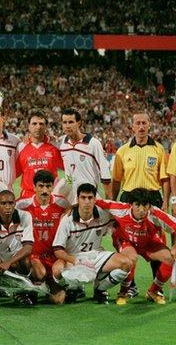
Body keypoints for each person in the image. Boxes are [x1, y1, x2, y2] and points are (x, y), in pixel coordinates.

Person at [111, 112, 170, 298]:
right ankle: (131, 287)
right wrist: (114, 201)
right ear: (132, 127)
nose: (142, 126)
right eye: (138, 123)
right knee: (128, 244)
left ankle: (156, 287)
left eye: (145, 123)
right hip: (129, 198)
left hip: (152, 199)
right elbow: (117, 179)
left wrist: (166, 201)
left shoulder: (159, 149)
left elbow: (164, 179)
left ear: (150, 125)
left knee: (156, 243)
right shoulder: (123, 151)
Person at [51, 183, 132, 305]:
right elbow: (57, 250)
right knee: (57, 270)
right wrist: (73, 260)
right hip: (73, 257)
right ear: (77, 199)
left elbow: (123, 212)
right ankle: (70, 288)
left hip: (96, 255)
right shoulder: (67, 220)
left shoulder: (104, 214)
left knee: (126, 263)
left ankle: (100, 289)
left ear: (95, 199)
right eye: (83, 198)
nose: (87, 202)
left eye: (90, 198)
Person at [94, 189, 176, 305]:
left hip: (148, 242)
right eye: (137, 205)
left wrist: (174, 248)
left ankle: (153, 292)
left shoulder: (155, 214)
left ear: (149, 205)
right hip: (126, 241)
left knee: (169, 258)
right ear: (131, 204)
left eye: (145, 205)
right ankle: (123, 293)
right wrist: (72, 207)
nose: (141, 210)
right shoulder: (121, 209)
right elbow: (97, 202)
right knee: (131, 259)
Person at [16, 170, 69, 304]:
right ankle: (29, 286)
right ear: (34, 187)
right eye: (41, 186)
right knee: (39, 272)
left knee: (58, 301)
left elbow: (71, 208)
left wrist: (66, 214)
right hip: (35, 255)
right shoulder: (23, 204)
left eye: (48, 186)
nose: (44, 190)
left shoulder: (61, 203)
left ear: (52, 187)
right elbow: (7, 207)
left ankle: (47, 286)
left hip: (54, 255)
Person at [59, 108, 112, 202]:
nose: (67, 126)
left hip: (89, 196)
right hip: (72, 198)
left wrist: (109, 201)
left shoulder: (93, 143)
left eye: (71, 122)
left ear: (78, 123)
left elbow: (105, 174)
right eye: (64, 122)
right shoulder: (63, 143)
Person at [16, 110, 64, 199]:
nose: (38, 127)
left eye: (41, 124)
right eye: (34, 124)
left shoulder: (55, 145)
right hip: (28, 198)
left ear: (46, 127)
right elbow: (13, 174)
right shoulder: (20, 147)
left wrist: (67, 183)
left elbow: (69, 170)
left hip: (50, 196)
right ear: (28, 126)